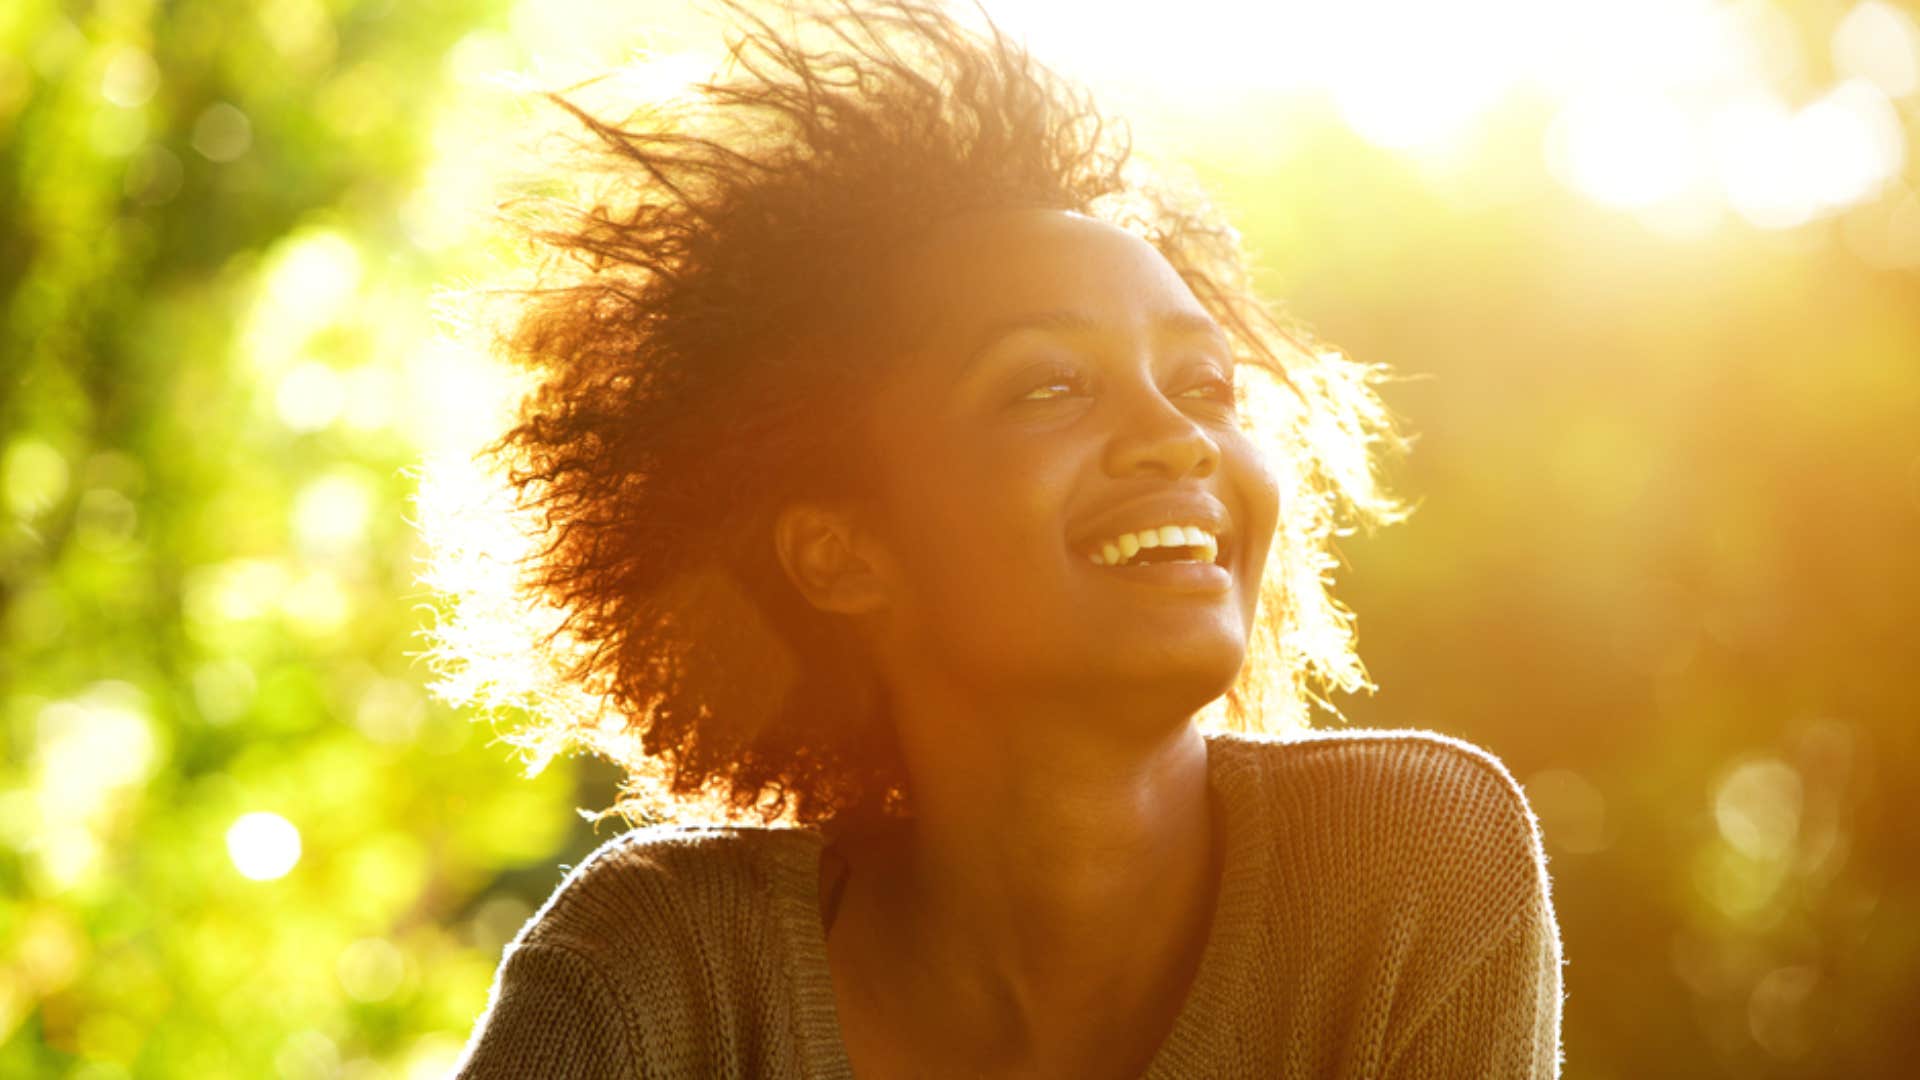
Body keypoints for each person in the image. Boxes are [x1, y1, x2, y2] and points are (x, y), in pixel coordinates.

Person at [441, 1, 1564, 1075]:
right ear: (842, 552)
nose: (1177, 440)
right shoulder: (656, 975)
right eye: (1049, 387)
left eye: (1206, 385)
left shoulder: (1410, 867)